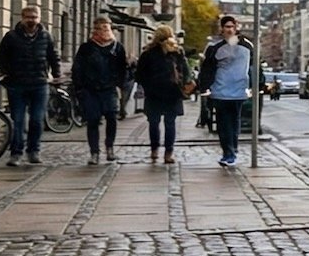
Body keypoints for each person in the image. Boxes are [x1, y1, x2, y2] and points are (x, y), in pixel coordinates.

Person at [0, 3, 59, 167]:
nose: (31, 20)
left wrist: (56, 75)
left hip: (39, 84)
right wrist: (3, 75)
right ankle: (16, 153)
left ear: (39, 18)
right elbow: (1, 59)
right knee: (18, 121)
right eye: (28, 17)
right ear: (22, 18)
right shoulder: (11, 36)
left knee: (37, 120)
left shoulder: (46, 36)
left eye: (34, 17)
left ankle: (33, 151)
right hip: (17, 85)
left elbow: (53, 56)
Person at [194, 15, 255, 166]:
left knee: (234, 121)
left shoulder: (247, 46)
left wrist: (255, 84)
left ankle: (232, 150)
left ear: (236, 28)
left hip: (239, 89)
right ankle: (228, 151)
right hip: (220, 90)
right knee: (223, 123)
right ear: (221, 29)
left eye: (231, 27)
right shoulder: (215, 48)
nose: (229, 30)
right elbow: (207, 69)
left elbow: (253, 66)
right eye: (226, 27)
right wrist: (204, 86)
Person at [71, 16, 130, 165]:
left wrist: (120, 86)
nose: (103, 31)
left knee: (111, 117)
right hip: (90, 89)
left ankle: (109, 147)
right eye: (99, 28)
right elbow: (77, 68)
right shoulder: (86, 47)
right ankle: (94, 152)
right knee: (93, 120)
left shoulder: (117, 47)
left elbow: (123, 69)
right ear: (94, 29)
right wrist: (79, 88)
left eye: (106, 28)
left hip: (110, 88)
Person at [133, 26, 189, 165]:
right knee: (170, 124)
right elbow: (185, 71)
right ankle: (168, 153)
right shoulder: (177, 51)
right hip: (173, 92)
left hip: (154, 93)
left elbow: (139, 74)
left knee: (153, 123)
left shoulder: (148, 53)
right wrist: (181, 85)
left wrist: (147, 86)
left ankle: (154, 150)